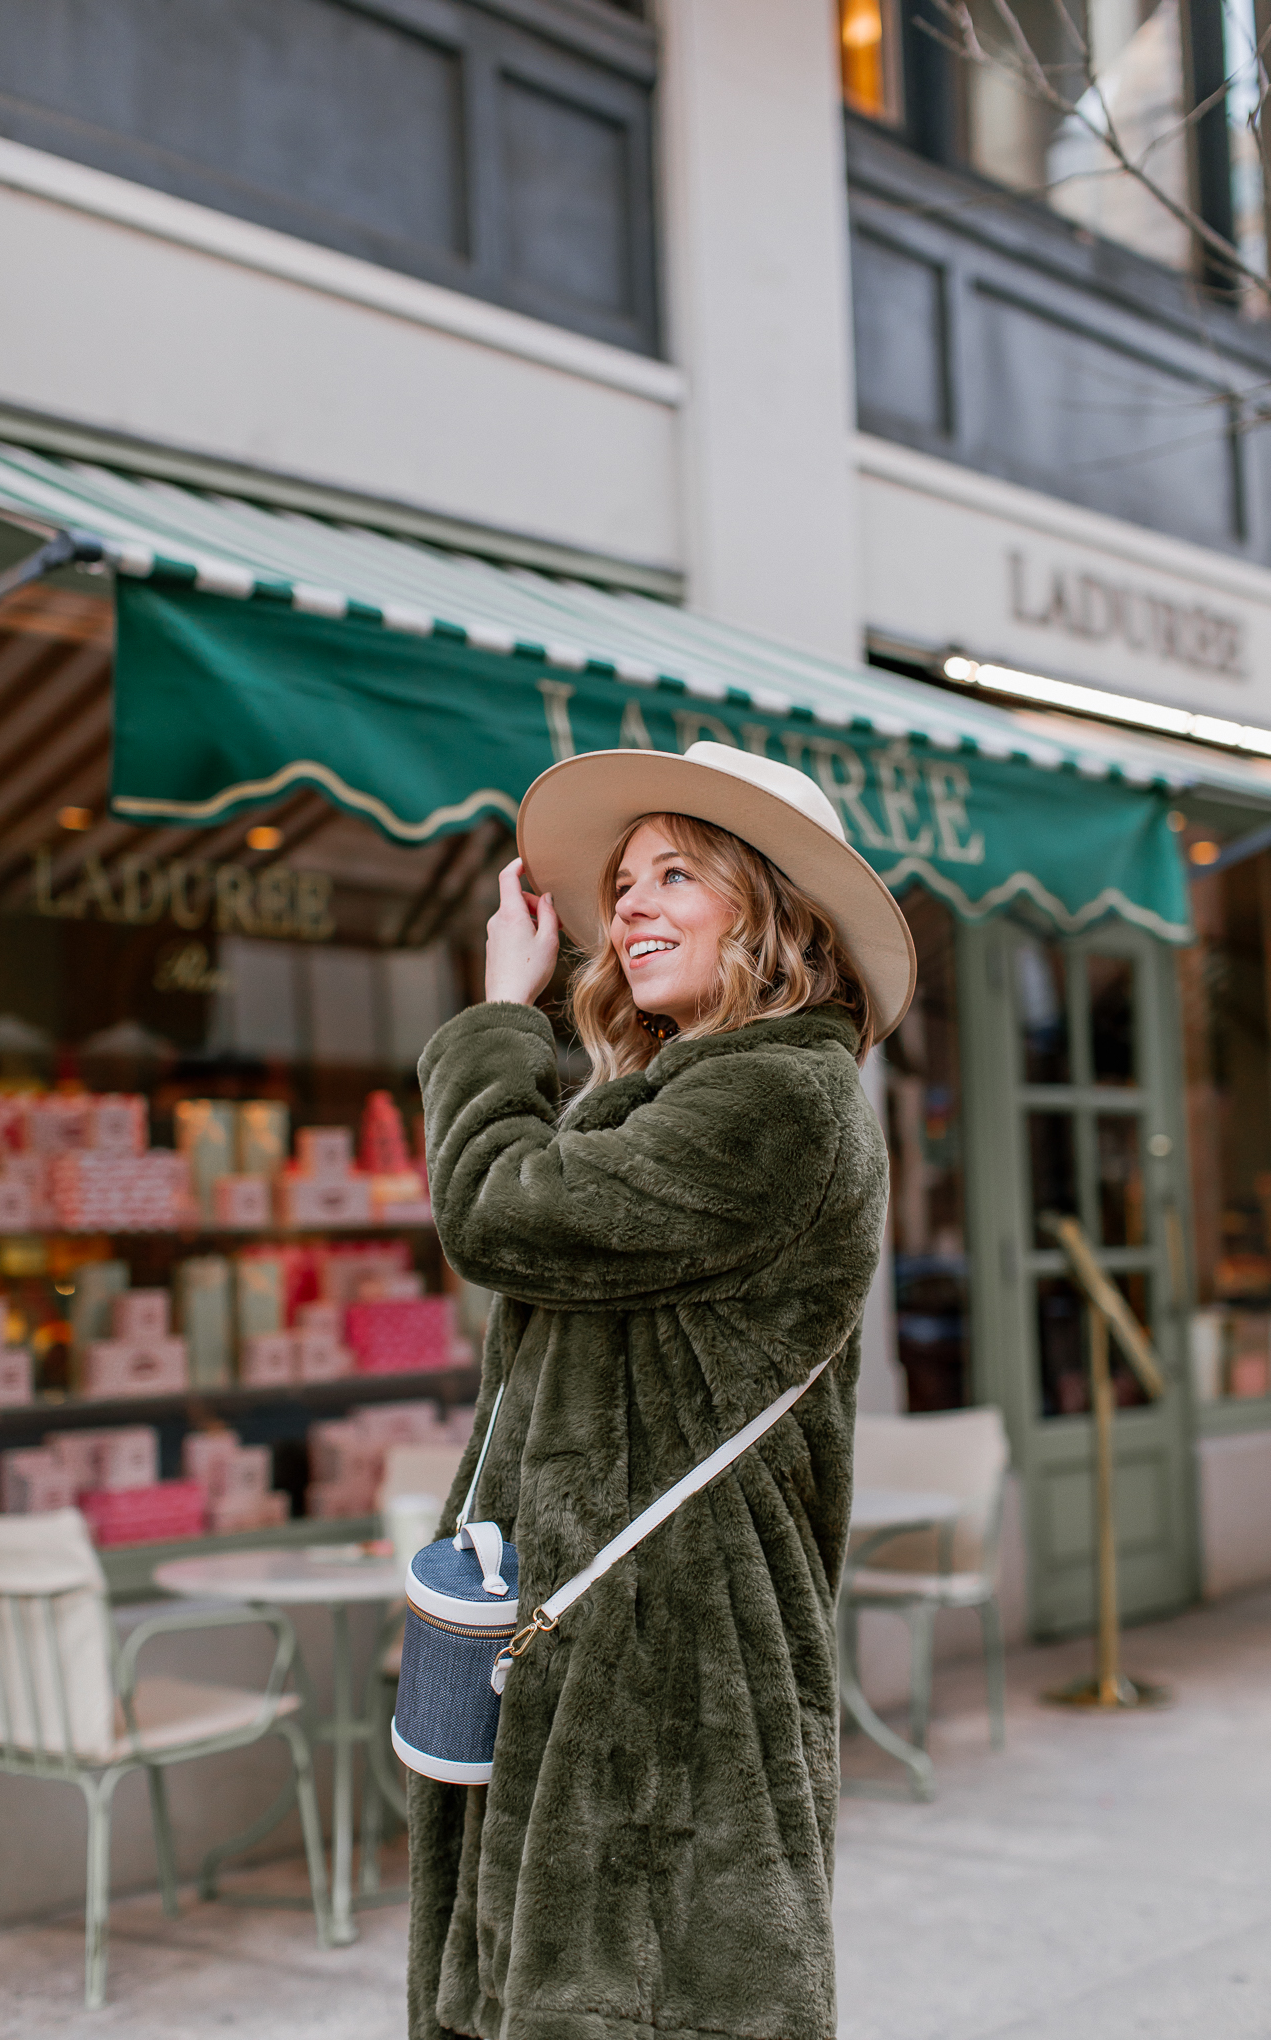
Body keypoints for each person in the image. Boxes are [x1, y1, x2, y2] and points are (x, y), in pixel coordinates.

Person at [408, 741, 916, 2040]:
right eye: (622, 882)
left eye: (674, 874)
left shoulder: (781, 1098)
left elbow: (496, 1211)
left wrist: (496, 1017)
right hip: (587, 1637)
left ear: (774, 907)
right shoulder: (657, 1094)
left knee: (640, 1996)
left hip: (677, 1665)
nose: (626, 906)